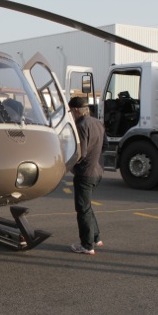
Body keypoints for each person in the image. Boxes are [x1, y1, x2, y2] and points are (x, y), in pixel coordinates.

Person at [68, 96, 107, 255]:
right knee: (87, 207)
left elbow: (81, 152)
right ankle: (96, 238)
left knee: (82, 209)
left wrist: (70, 166)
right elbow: (105, 146)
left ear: (76, 111)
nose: (71, 115)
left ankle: (86, 245)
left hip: (85, 173)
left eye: (71, 111)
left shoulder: (81, 125)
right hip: (97, 171)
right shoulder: (98, 123)